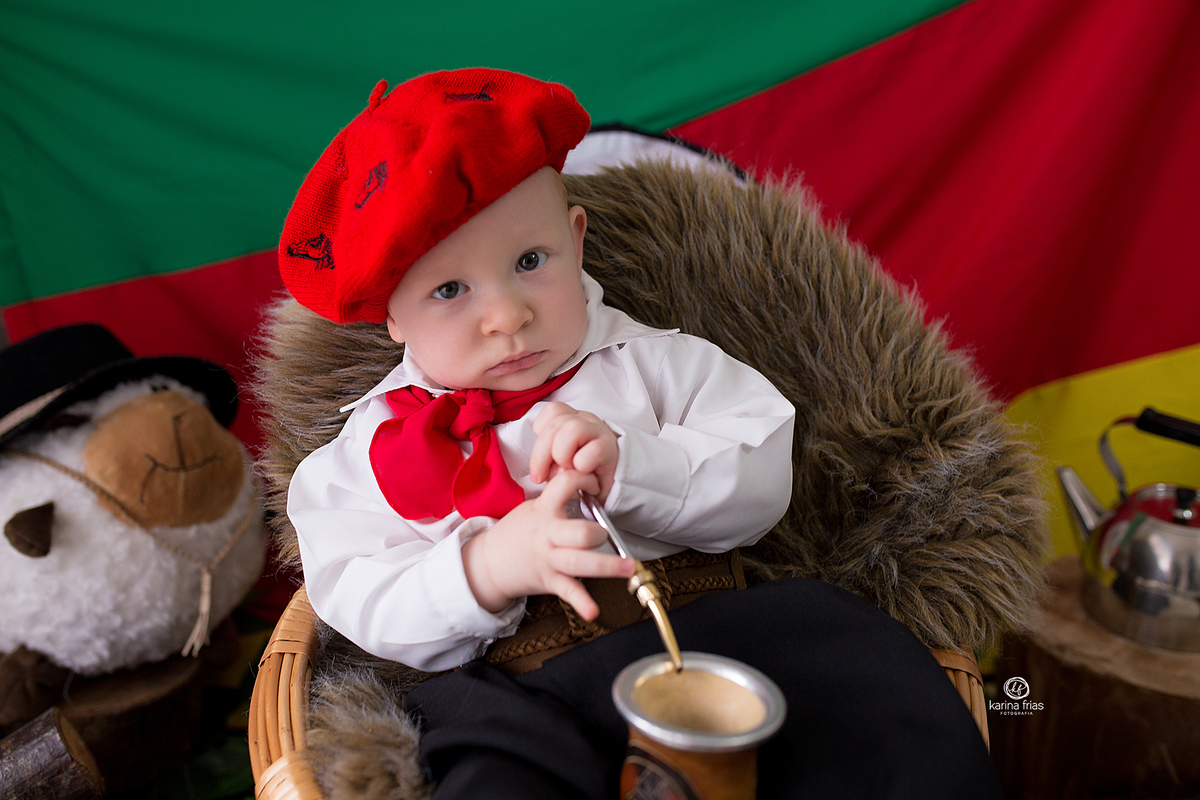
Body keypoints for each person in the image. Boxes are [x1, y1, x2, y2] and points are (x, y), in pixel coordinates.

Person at [279, 68, 1002, 800]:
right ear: (392, 319)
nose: (507, 315)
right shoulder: (361, 454)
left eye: (531, 263)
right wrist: (488, 567)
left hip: (711, 622)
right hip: (518, 684)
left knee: (869, 682)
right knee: (485, 775)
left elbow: (763, 470)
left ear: (576, 238)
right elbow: (357, 591)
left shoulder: (655, 359)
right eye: (449, 290)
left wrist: (635, 466)